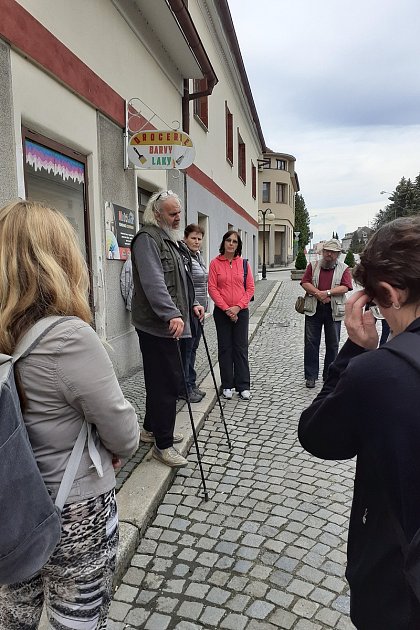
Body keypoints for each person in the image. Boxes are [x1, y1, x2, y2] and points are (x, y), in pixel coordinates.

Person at [0, 200, 139, 630]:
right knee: (76, 618)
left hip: (8, 504)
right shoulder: (68, 338)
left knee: (13, 616)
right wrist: (110, 447)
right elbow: (124, 433)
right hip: (72, 506)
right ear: (60, 260)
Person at [298, 217, 420, 629]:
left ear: (388, 294)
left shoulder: (380, 373)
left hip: (397, 584)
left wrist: (354, 351)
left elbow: (318, 436)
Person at [131, 190, 204, 468]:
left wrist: (193, 304)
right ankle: (163, 446)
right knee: (167, 384)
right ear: (157, 213)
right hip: (158, 327)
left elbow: (181, 281)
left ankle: (152, 429)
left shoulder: (167, 239)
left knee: (157, 380)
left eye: (179, 213)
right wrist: (172, 313)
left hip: (170, 323)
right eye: (173, 213)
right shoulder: (147, 239)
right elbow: (154, 283)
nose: (178, 218)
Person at [208, 230, 254, 400]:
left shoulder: (243, 264)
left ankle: (243, 385)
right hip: (222, 313)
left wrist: (237, 308)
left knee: (241, 349)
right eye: (228, 240)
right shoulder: (215, 264)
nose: (231, 244)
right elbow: (212, 288)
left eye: (235, 241)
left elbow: (250, 288)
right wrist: (227, 308)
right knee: (225, 348)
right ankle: (227, 385)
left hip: (241, 313)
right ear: (224, 242)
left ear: (238, 245)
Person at [301, 238, 353, 388]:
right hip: (314, 308)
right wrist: (318, 293)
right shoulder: (313, 265)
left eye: (332, 252)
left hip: (333, 310)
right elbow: (305, 282)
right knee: (311, 343)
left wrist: (328, 293)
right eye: (327, 251)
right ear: (323, 252)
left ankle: (329, 375)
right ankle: (310, 376)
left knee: (333, 344)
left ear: (337, 254)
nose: (329, 254)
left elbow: (346, 287)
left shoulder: (344, 268)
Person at [180, 224, 208, 402]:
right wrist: (195, 305)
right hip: (189, 311)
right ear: (185, 238)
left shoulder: (198, 257)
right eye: (193, 238)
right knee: (186, 351)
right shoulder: (183, 257)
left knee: (193, 349)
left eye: (199, 238)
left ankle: (191, 382)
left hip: (200, 312)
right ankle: (184, 388)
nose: (197, 241)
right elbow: (185, 286)